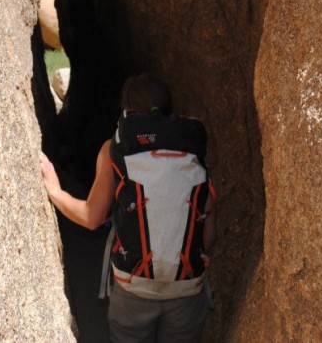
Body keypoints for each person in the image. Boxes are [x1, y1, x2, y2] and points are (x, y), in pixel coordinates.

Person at [41, 73, 216, 343]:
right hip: (187, 288)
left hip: (135, 286)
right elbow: (207, 235)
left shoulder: (115, 148)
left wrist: (55, 191)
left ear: (127, 110)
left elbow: (92, 217)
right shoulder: (191, 147)